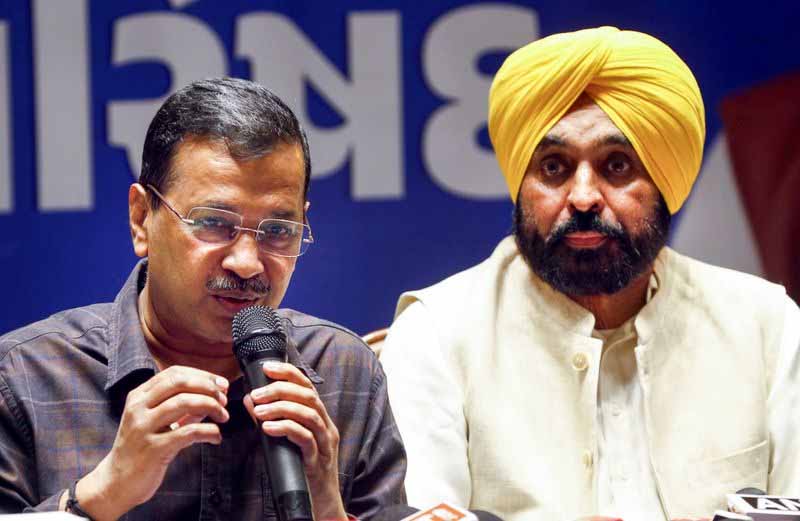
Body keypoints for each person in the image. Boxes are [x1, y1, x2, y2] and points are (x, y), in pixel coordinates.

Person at [380, 26, 800, 521]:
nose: (582, 197)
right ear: (520, 185)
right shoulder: (436, 334)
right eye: (553, 168)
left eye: (616, 166)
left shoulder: (764, 324)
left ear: (664, 183)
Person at [0, 78, 406, 520]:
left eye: (277, 231)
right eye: (213, 223)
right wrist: (101, 495)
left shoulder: (345, 373)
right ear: (141, 218)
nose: (247, 263)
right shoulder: (26, 379)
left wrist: (327, 508)